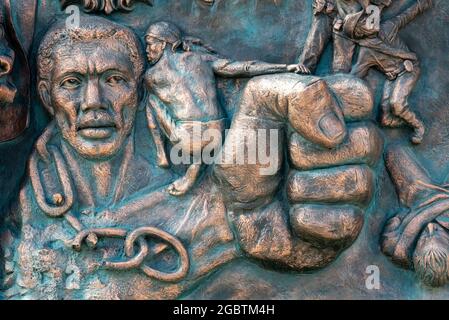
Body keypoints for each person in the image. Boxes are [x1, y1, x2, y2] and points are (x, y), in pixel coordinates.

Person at [2, 15, 381, 300]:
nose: (94, 104)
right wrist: (223, 224)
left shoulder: (195, 167)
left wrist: (247, 213)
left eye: (114, 80)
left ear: (138, 90)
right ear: (47, 97)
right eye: (72, 83)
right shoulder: (26, 206)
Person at [144, 21, 302, 196]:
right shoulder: (201, 58)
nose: (147, 50)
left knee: (151, 101)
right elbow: (243, 68)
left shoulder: (151, 76)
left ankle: (162, 156)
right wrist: (285, 67)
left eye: (150, 44)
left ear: (164, 43)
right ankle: (197, 163)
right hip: (219, 132)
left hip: (187, 140)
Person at [349, 0, 432, 144]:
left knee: (397, 104)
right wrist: (339, 85)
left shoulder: (387, 28)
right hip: (393, 78)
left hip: (408, 70)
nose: (368, 22)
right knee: (386, 119)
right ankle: (405, 120)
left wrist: (422, 4)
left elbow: (406, 16)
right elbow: (355, 75)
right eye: (362, 23)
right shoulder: (366, 52)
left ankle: (418, 126)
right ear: (358, 32)